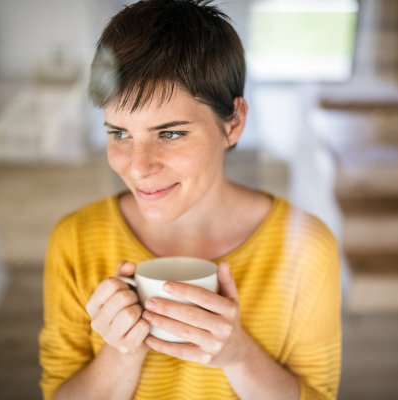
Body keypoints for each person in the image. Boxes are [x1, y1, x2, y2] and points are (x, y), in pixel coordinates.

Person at [38, 0, 341, 399]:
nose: (138, 167)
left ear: (233, 123)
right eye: (120, 133)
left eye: (170, 133)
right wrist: (119, 354)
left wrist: (238, 356)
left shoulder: (306, 247)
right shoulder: (74, 241)